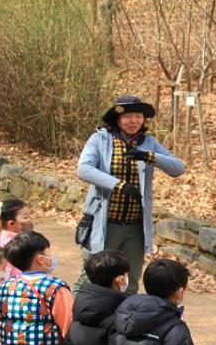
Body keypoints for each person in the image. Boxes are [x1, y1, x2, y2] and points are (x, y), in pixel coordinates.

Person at [77, 95, 186, 294]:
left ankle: (124, 322)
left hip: (135, 225)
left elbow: (178, 168)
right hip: (105, 221)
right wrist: (118, 185)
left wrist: (150, 157)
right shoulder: (101, 139)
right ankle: (82, 320)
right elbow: (84, 169)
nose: (133, 121)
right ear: (117, 119)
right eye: (128, 116)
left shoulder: (149, 143)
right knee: (93, 276)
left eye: (138, 116)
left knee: (130, 279)